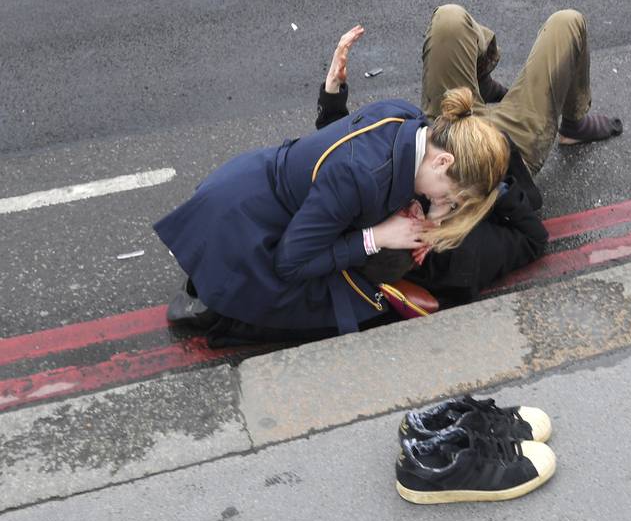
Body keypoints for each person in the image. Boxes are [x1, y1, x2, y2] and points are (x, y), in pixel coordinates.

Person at [155, 33, 509, 343]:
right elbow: (290, 264)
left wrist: (332, 98)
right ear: (443, 162)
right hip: (244, 232)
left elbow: (339, 152)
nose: (441, 203)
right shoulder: (359, 177)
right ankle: (221, 305)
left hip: (250, 188)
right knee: (356, 311)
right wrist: (378, 236)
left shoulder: (407, 118)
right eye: (449, 196)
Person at [318, 6, 623, 307]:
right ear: (418, 252)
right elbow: (533, 239)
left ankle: (479, 85)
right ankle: (573, 121)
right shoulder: (460, 263)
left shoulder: (375, 208)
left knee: (449, 20)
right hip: (506, 147)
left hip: (449, 126)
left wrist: (333, 94)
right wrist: (491, 187)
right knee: (567, 22)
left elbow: (343, 157)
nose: (411, 212)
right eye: (414, 225)